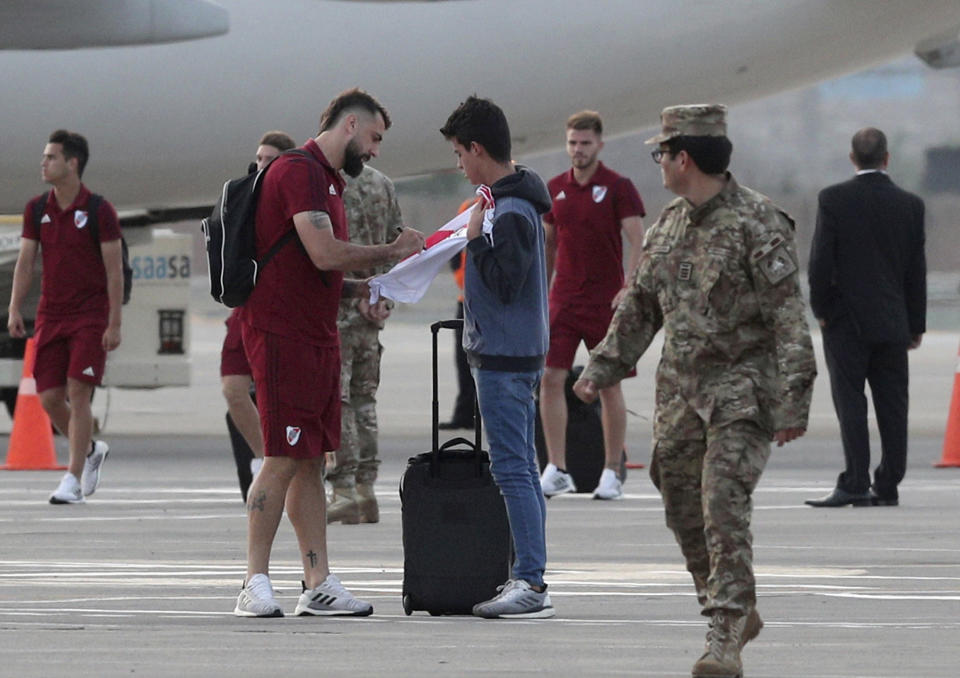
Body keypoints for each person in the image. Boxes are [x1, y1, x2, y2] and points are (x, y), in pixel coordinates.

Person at [573, 105, 816, 677]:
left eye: (662, 152)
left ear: (683, 158)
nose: (657, 162)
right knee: (681, 504)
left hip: (742, 394)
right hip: (680, 396)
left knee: (721, 503)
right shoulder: (669, 225)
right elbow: (641, 309)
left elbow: (789, 321)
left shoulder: (759, 223)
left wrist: (793, 400)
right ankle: (728, 601)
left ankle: (725, 630)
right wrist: (599, 370)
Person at [233, 88, 424, 617]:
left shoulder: (331, 182)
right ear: (350, 126)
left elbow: (315, 268)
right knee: (281, 455)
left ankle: (317, 580)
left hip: (317, 332)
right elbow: (322, 252)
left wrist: (364, 287)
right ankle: (254, 581)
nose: (377, 150)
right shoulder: (300, 171)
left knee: (312, 459)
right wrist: (391, 251)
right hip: (281, 334)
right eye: (375, 137)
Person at [440, 95, 555, 619]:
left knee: (512, 471)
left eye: (460, 153)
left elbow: (507, 283)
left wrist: (473, 242)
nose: (458, 164)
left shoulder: (506, 211)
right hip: (514, 352)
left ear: (477, 149)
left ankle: (529, 580)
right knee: (523, 470)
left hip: (505, 357)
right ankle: (527, 572)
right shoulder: (510, 201)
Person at [805, 127, 926, 509]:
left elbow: (820, 262)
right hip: (893, 322)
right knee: (893, 405)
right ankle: (888, 483)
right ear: (887, 158)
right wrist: (915, 323)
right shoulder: (910, 204)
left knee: (851, 402)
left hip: (847, 322)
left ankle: (855, 480)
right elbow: (915, 270)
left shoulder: (834, 199)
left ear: (852, 158)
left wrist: (823, 311)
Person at [8, 130, 124, 505]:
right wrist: (14, 307)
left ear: (72, 163)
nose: (43, 163)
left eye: (51, 157)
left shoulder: (98, 210)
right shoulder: (37, 208)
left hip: (90, 316)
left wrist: (114, 322)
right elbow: (26, 263)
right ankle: (90, 449)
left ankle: (72, 479)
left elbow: (114, 271)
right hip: (51, 315)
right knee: (49, 397)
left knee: (78, 390)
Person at [538, 110, 646, 500]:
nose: (578, 150)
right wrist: (542, 288)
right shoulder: (554, 188)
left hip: (605, 300)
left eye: (585, 143)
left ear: (599, 144)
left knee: (607, 384)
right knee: (551, 378)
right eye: (572, 143)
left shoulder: (617, 187)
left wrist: (630, 286)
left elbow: (638, 239)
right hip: (564, 298)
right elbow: (548, 242)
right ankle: (556, 466)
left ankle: (611, 469)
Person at [325, 164, 403, 524]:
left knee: (337, 401)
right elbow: (397, 245)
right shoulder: (382, 183)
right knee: (364, 400)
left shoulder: (328, 184)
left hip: (339, 308)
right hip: (373, 311)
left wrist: (357, 293)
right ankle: (366, 489)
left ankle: (343, 489)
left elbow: (328, 248)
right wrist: (382, 297)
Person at [222, 130, 296, 497]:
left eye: (270, 159)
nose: (261, 165)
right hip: (244, 305)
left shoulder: (295, 200)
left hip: (280, 308)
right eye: (259, 158)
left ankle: (276, 468)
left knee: (276, 396)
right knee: (233, 390)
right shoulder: (241, 196)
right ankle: (262, 459)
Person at [438, 197, 479, 431]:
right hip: (466, 298)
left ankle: (481, 413)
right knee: (463, 361)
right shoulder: (468, 206)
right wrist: (460, 279)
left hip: (489, 302)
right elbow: (454, 247)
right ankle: (464, 414)